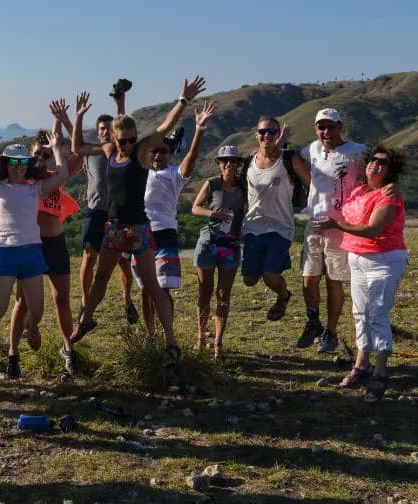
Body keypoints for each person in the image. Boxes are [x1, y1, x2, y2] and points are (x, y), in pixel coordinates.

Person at [69, 76, 207, 369]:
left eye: (132, 139)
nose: (129, 144)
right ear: (114, 140)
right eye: (124, 140)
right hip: (115, 227)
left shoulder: (142, 152)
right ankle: (84, 321)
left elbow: (165, 127)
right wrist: (79, 117)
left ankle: (171, 344)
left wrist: (182, 101)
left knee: (154, 287)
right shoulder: (108, 150)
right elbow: (77, 146)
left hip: (138, 230)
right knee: (100, 280)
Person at [0, 133, 70, 378]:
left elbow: (62, 175)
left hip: (31, 252)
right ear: (5, 164)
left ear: (28, 165)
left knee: (37, 311)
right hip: (3, 252)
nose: (18, 167)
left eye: (23, 163)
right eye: (14, 162)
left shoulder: (36, 189)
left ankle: (30, 328)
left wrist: (56, 149)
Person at [311, 144, 407, 403]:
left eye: (383, 162)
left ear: (391, 170)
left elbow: (373, 230)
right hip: (357, 258)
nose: (376, 164)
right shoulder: (359, 191)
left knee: (377, 313)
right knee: (359, 312)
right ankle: (361, 364)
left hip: (384, 260)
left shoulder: (390, 196)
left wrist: (334, 224)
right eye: (373, 160)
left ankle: (381, 372)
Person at [10, 103, 83, 378]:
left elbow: (77, 153)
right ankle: (13, 354)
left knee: (61, 299)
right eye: (37, 154)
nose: (42, 158)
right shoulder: (20, 180)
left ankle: (67, 348)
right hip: (30, 245)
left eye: (46, 154)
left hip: (55, 244)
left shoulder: (56, 178)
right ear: (30, 156)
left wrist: (65, 121)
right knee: (23, 302)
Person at [129, 102, 215, 332]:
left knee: (163, 289)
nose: (158, 154)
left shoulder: (173, 175)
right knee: (144, 290)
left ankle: (168, 334)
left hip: (165, 235)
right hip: (141, 235)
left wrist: (200, 129)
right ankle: (150, 336)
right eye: (155, 150)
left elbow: (192, 157)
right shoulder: (139, 172)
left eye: (164, 151)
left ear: (170, 155)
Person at [297, 108, 368, 354]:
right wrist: (308, 180)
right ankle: (313, 321)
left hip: (339, 226)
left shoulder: (358, 151)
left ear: (340, 126)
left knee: (333, 281)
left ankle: (332, 331)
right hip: (313, 224)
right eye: (321, 127)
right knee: (308, 280)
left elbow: (378, 171)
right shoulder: (312, 149)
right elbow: (294, 158)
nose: (325, 132)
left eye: (330, 126)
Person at [66, 87, 140, 326]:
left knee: (124, 264)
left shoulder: (119, 152)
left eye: (108, 129)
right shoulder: (93, 151)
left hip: (118, 215)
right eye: (101, 130)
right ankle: (86, 303)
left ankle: (127, 300)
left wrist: (121, 105)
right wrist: (74, 116)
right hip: (96, 211)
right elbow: (75, 142)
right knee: (89, 257)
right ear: (97, 133)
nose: (105, 132)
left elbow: (123, 129)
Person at [239, 118, 311, 324]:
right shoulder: (249, 162)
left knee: (270, 276)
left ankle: (283, 295)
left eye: (271, 131)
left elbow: (311, 183)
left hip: (280, 228)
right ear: (256, 134)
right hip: (252, 227)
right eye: (263, 132)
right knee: (250, 280)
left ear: (277, 133)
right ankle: (266, 268)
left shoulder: (289, 159)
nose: (266, 135)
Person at [191, 145, 248, 360]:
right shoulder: (212, 184)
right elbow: (195, 207)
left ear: (238, 164)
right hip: (208, 242)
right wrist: (212, 213)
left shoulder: (244, 187)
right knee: (205, 292)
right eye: (225, 160)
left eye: (233, 161)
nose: (229, 164)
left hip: (230, 245)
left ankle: (218, 343)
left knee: (224, 295)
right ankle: (200, 338)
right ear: (218, 163)